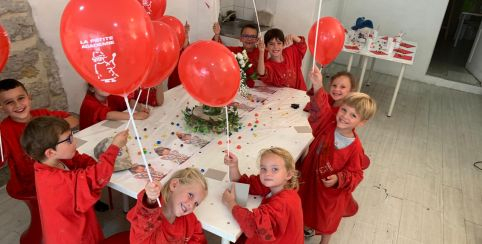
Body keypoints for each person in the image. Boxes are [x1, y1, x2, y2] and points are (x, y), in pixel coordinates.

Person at [298, 66, 377, 244]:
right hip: (312, 178)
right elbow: (321, 109)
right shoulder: (328, 123)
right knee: (307, 205)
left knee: (327, 218)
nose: (345, 117)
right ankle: (304, 229)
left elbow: (357, 174)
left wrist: (339, 179)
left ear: (361, 122)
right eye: (343, 110)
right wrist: (318, 84)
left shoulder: (355, 148)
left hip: (331, 194)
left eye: (353, 115)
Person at [20, 116, 128, 243]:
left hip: (66, 227)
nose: (75, 142)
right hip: (73, 236)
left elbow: (77, 159)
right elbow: (97, 177)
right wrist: (114, 148)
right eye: (69, 140)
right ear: (50, 152)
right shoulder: (56, 181)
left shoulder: (48, 162)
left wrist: (96, 163)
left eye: (73, 135)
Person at [0, 78, 78, 199]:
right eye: (9, 102)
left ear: (29, 97)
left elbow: (74, 120)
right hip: (32, 184)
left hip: (60, 172)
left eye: (21, 98)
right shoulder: (3, 131)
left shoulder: (43, 114)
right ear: (2, 107)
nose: (17, 105)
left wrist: (51, 130)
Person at [222, 148, 304, 243]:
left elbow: (252, 224)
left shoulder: (284, 202)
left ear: (289, 174)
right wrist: (233, 166)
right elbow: (243, 184)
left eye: (275, 169)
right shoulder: (275, 183)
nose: (267, 174)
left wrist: (230, 203)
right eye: (263, 169)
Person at [127, 167, 208, 243]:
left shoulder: (190, 220)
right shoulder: (148, 221)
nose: (191, 205)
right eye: (190, 195)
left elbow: (198, 240)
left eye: (196, 204)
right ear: (174, 185)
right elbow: (144, 218)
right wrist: (151, 199)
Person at [79, 84, 149, 130]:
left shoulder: (110, 95)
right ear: (92, 89)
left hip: (108, 130)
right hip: (90, 136)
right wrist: (135, 116)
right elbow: (108, 115)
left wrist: (139, 108)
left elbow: (128, 101)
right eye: (100, 85)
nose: (105, 86)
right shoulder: (89, 102)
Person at [213, 22, 262, 87]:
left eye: (253, 36)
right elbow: (219, 50)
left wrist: (262, 50)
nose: (249, 39)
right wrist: (217, 35)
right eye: (246, 36)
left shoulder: (262, 52)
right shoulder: (235, 51)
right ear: (240, 38)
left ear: (257, 40)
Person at [167, 21, 191, 90]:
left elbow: (187, 51)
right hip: (174, 84)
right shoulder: (173, 49)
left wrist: (185, 37)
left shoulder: (187, 50)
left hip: (184, 85)